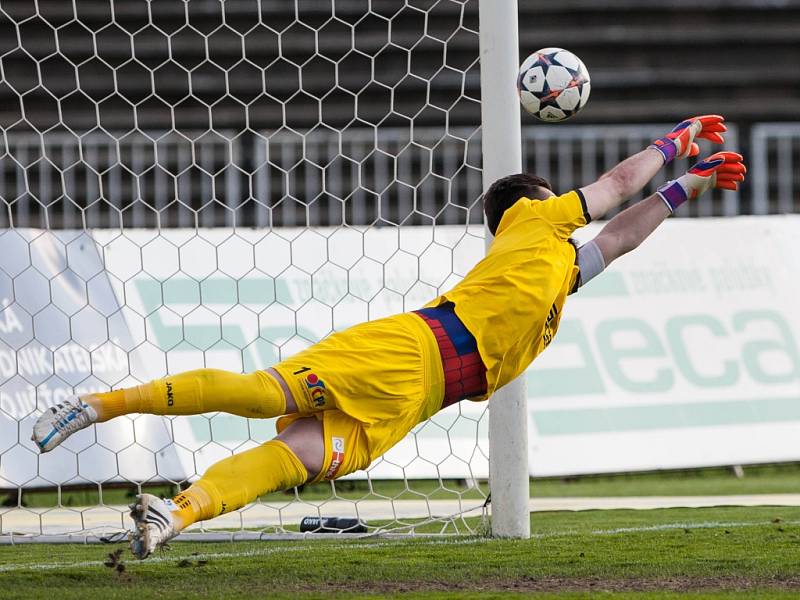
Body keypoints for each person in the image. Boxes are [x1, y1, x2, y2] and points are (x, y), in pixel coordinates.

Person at [32, 115, 745, 559]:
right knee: (258, 395)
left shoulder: (558, 273)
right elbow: (618, 187)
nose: (568, 205)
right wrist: (674, 143)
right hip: (408, 352)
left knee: (287, 460)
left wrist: (689, 186)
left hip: (411, 404)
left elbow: (618, 237)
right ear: (527, 205)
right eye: (550, 195)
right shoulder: (534, 222)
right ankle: (100, 404)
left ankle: (172, 515)